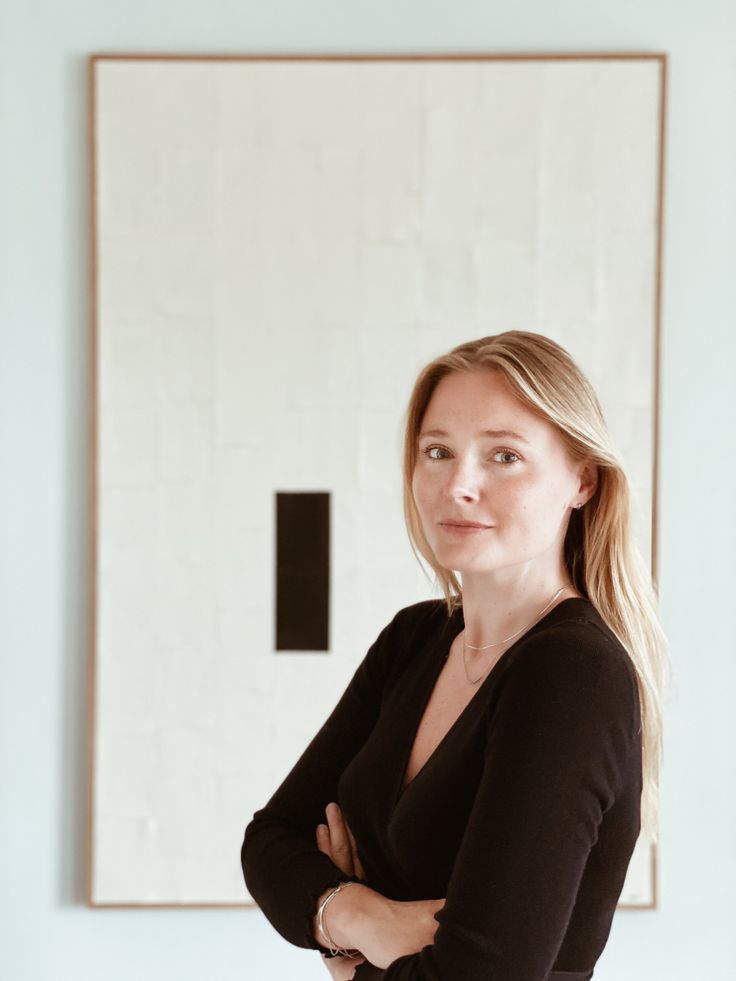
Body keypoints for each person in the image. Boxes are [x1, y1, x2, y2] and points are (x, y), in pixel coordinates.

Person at [241, 331, 669, 980]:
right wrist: (361, 918)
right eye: (437, 451)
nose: (458, 484)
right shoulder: (414, 639)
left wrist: (350, 967)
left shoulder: (572, 674)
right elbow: (271, 841)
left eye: (503, 455)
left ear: (581, 478)